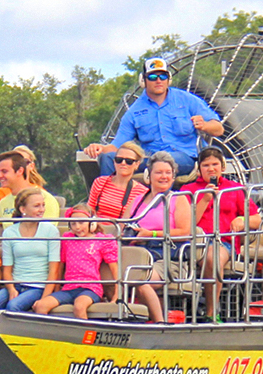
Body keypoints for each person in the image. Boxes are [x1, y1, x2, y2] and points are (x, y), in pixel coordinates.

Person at [83, 58, 224, 175]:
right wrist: (100, 148)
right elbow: (117, 146)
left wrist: (204, 125)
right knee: (109, 158)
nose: (158, 81)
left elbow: (218, 129)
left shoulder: (187, 99)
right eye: (152, 77)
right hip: (149, 160)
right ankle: (107, 203)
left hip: (184, 158)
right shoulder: (134, 111)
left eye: (163, 76)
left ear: (168, 79)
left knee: (163, 162)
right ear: (143, 81)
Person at [179, 146, 262, 318]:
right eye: (206, 165)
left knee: (212, 257)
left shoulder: (236, 189)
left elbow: (257, 220)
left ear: (222, 167)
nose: (211, 168)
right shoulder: (188, 190)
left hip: (223, 241)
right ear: (199, 169)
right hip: (194, 241)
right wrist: (206, 198)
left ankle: (211, 312)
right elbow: (188, 222)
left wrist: (242, 220)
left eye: (215, 164)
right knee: (207, 254)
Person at [34, 206, 117, 320]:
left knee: (79, 306)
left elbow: (114, 269)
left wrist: (116, 296)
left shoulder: (101, 240)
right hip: (69, 288)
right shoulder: (68, 239)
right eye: (73, 224)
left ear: (92, 223)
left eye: (82, 222)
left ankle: (85, 334)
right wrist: (57, 288)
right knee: (41, 306)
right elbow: (60, 266)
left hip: (90, 288)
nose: (77, 227)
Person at [0, 188, 62, 312]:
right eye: (37, 206)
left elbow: (54, 271)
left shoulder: (51, 231)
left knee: (13, 306)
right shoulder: (9, 232)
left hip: (38, 287)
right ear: (23, 209)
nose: (42, 210)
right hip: (16, 284)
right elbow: (7, 269)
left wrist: (44, 298)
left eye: (43, 205)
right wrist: (11, 289)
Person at [128, 152, 196, 260]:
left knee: (140, 275)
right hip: (135, 253)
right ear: (148, 175)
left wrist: (152, 234)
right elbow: (122, 229)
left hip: (165, 257)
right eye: (159, 172)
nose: (164, 176)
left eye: (168, 173)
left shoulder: (179, 198)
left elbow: (184, 232)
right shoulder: (137, 200)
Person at [0, 149, 60, 219]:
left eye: (4, 171)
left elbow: (48, 230)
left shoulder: (45, 199)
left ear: (20, 171)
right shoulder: (3, 203)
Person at [86, 140, 148, 221]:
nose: (123, 163)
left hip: (120, 231)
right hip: (97, 230)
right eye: (119, 159)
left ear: (137, 164)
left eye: (129, 161)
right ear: (114, 162)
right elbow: (89, 211)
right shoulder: (100, 182)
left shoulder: (142, 192)